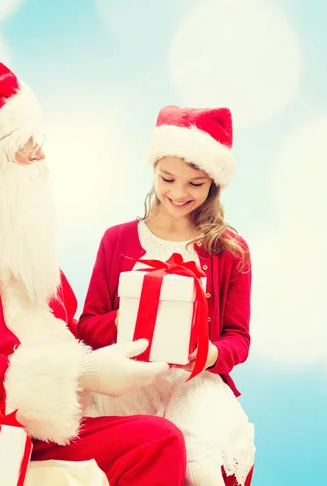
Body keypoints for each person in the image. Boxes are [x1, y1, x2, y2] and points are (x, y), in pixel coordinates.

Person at [0, 62, 186, 485]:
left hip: (41, 417)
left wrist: (140, 321)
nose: (40, 154)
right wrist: (81, 374)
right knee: (158, 441)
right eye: (26, 144)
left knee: (161, 438)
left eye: (37, 139)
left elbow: (63, 327)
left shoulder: (11, 219)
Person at [78, 106, 256, 486]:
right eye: (167, 178)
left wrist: (209, 353)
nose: (178, 193)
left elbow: (238, 339)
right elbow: (88, 327)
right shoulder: (118, 240)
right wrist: (137, 316)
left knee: (200, 463)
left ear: (214, 184)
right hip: (127, 382)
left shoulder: (230, 250)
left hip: (193, 383)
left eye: (195, 183)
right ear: (154, 170)